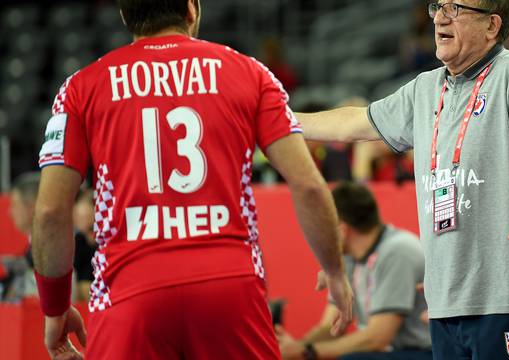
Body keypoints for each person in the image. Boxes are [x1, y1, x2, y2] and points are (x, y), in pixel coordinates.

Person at [31, 1, 353, 359]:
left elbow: (49, 211)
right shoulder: (250, 72)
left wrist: (55, 307)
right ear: (191, 9)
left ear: (124, 15)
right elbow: (308, 183)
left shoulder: (80, 88)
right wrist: (334, 271)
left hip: (130, 293)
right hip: (229, 287)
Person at [296, 1, 509, 359]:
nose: (440, 17)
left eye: (456, 8)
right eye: (438, 6)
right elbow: (355, 122)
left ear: (491, 25)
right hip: (445, 304)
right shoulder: (424, 88)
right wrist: (276, 118)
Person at [276, 182, 432, 360]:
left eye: (323, 227)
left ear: (342, 230)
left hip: (421, 352)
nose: (319, 235)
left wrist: (305, 352)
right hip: (385, 353)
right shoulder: (348, 257)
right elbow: (331, 328)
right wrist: (296, 349)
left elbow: (378, 338)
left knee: (350, 359)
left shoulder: (399, 251)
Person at [1, 172, 39, 302]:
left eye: (15, 205)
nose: (10, 212)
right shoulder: (31, 247)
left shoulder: (54, 248)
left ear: (32, 206)